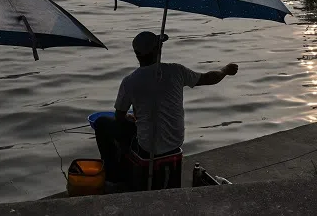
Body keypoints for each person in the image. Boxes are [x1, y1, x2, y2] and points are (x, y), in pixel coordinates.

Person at [95, 31, 239, 188]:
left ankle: (113, 176)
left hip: (147, 146)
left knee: (102, 122)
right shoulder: (176, 71)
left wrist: (129, 118)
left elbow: (119, 116)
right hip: (175, 141)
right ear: (158, 50)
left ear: (137, 54)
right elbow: (209, 78)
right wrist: (225, 70)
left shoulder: (129, 81)